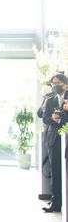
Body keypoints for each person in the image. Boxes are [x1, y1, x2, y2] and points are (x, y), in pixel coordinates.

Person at [39, 73, 68, 213]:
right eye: (53, 84)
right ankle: (56, 202)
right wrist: (52, 118)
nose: (55, 86)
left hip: (66, 138)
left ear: (65, 84)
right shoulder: (50, 100)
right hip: (54, 139)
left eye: (58, 83)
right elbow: (44, 118)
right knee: (55, 171)